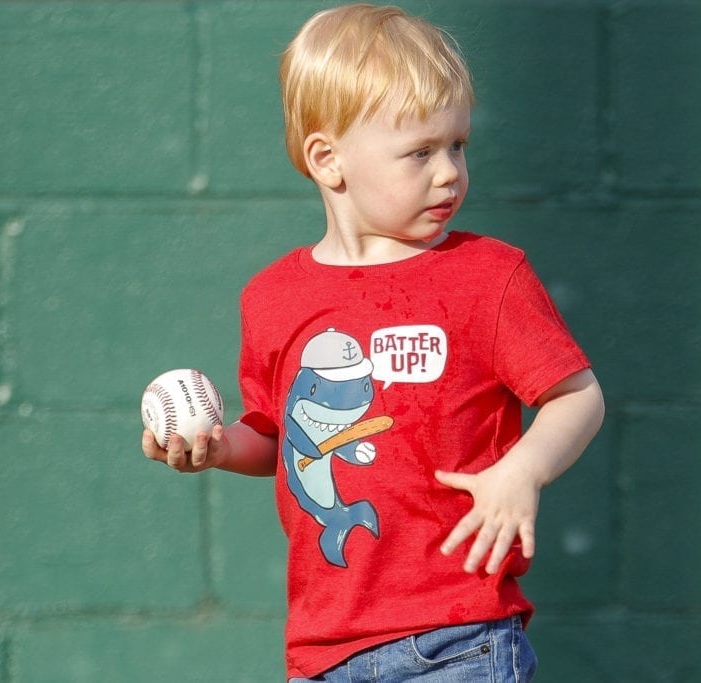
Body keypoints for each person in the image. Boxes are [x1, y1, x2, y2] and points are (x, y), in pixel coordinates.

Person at [142, 3, 605, 680]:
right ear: (328, 160)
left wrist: (522, 470)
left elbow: (578, 396)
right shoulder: (272, 298)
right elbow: (278, 438)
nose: (448, 171)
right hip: (325, 651)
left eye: (457, 145)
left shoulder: (489, 275)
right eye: (420, 152)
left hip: (462, 638)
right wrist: (215, 449)